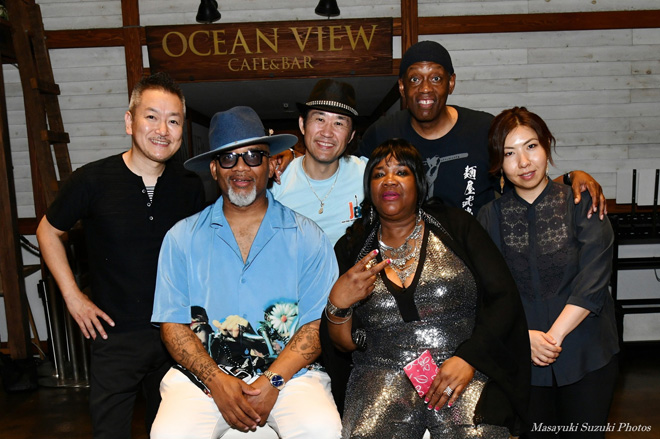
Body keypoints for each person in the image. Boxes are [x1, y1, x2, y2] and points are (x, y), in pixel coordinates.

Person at [150, 106, 342, 439]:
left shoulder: (308, 236)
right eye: (228, 158)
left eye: (254, 156)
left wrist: (273, 381)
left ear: (271, 164)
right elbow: (172, 324)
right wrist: (215, 380)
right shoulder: (181, 238)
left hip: (290, 378)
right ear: (214, 169)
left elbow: (316, 325)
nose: (241, 167)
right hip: (202, 379)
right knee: (170, 433)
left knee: (321, 430)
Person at [321, 139, 530, 438]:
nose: (389, 180)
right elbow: (343, 346)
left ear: (418, 183)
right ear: (370, 189)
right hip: (380, 380)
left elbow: (503, 299)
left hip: (461, 371)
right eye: (379, 174)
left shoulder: (456, 226)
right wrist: (337, 305)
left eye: (401, 172)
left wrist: (470, 358)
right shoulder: (352, 248)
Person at [35, 72, 205, 438]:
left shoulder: (190, 185)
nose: (162, 130)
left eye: (173, 121)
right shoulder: (92, 180)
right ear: (130, 121)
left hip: (176, 335)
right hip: (114, 336)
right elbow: (48, 231)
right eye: (151, 117)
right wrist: (73, 296)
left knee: (173, 432)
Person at [477, 107, 619, 438]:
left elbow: (594, 281)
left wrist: (552, 338)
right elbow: (485, 292)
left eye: (531, 146)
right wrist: (523, 338)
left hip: (586, 354)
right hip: (522, 359)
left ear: (546, 146)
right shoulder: (488, 217)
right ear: (498, 162)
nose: (524, 162)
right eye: (509, 153)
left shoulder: (581, 202)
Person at [359, 40, 607, 218]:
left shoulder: (483, 129)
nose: (425, 88)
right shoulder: (382, 134)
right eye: (415, 79)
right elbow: (355, 189)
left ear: (451, 83)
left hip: (476, 254)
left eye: (436, 78)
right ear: (402, 87)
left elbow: (526, 182)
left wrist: (571, 177)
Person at [270, 79, 367, 244]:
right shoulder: (276, 180)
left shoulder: (367, 174)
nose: (327, 132)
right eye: (320, 119)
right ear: (302, 124)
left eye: (339, 123)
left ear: (351, 136)